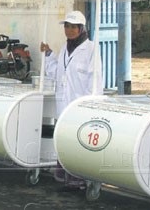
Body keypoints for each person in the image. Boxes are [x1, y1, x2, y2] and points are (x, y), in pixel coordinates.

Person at [40, 10, 103, 191]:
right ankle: (66, 177)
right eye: (67, 26)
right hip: (64, 105)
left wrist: (91, 105)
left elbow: (95, 80)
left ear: (81, 28)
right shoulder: (65, 49)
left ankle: (81, 180)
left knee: (78, 143)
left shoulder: (91, 49)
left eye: (73, 27)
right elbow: (58, 73)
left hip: (80, 106)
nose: (69, 30)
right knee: (65, 140)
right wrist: (49, 54)